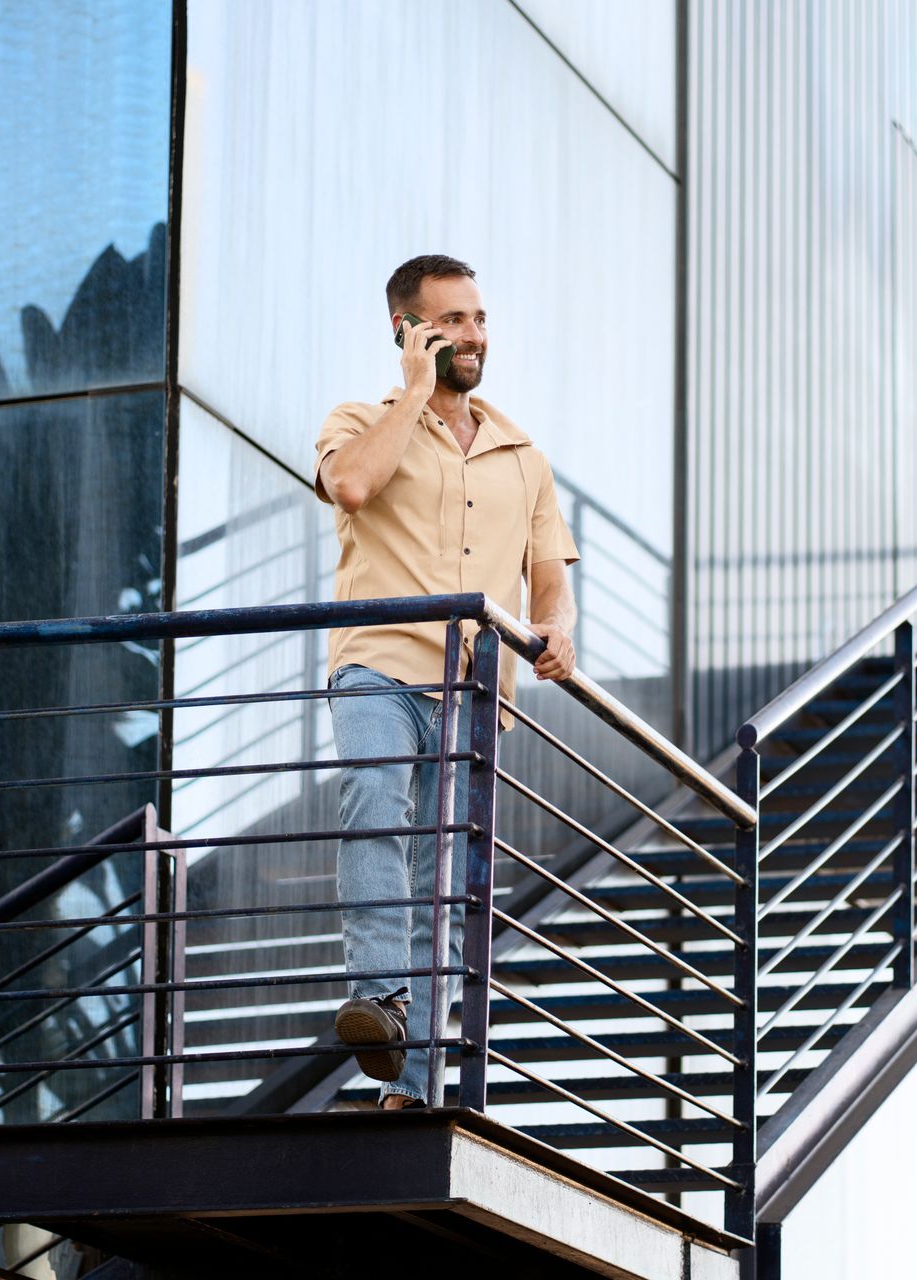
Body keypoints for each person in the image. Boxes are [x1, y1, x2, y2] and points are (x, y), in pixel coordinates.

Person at [312, 254, 579, 1108]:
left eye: (479, 319)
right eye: (452, 321)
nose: (474, 335)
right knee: (371, 804)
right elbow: (351, 485)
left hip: (473, 692)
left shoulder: (523, 455)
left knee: (443, 880)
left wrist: (559, 629)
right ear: (408, 329)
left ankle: (414, 1088)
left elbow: (549, 578)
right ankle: (381, 999)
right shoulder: (360, 420)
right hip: (379, 666)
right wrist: (412, 391)